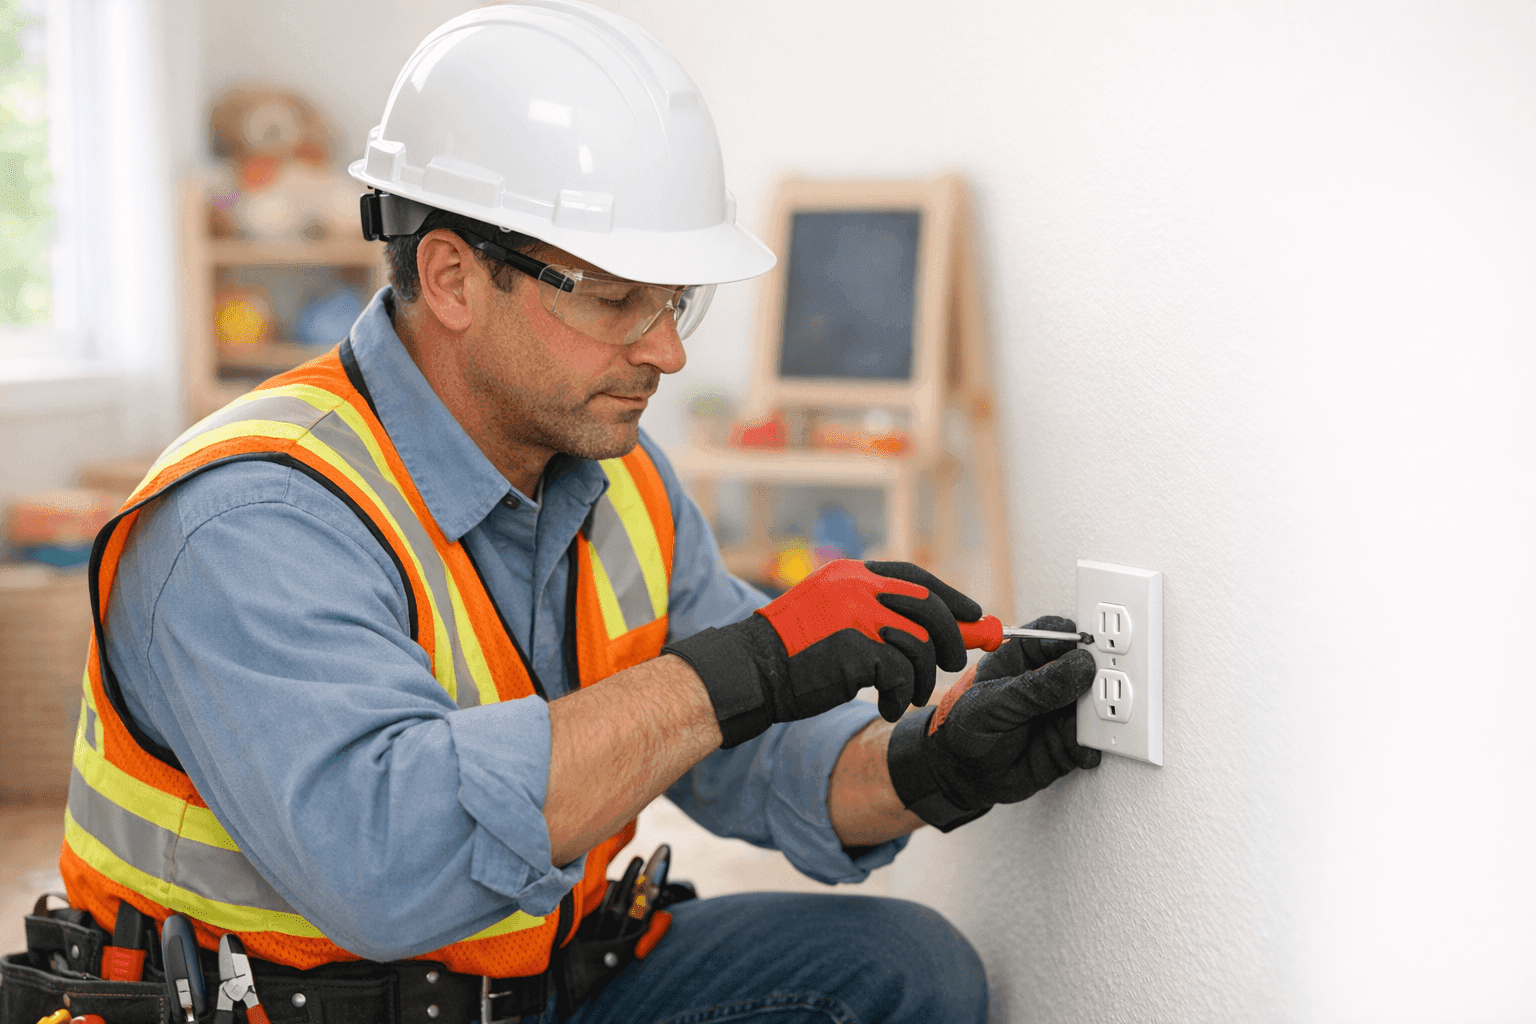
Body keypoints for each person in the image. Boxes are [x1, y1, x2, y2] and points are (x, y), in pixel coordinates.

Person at [55, 4, 1100, 1022]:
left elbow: (748, 749)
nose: (668, 350)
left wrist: (932, 763)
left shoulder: (622, 482)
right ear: (453, 275)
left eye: (676, 298)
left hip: (546, 985)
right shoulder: (250, 518)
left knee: (902, 969)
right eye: (614, 301)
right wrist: (738, 666)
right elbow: (387, 862)